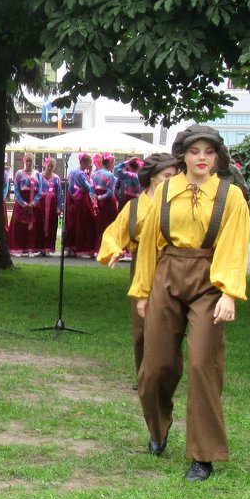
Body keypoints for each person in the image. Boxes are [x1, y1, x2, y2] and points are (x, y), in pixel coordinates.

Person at [130, 125, 250, 482]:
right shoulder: (165, 190)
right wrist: (143, 292)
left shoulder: (230, 196)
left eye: (209, 152)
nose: (201, 158)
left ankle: (203, 455)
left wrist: (229, 292)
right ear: (182, 154)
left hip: (210, 280)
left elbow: (235, 246)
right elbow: (150, 240)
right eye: (195, 151)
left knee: (202, 364)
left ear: (217, 157)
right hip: (167, 274)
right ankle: (157, 427)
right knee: (155, 366)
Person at [97, 153, 178, 375]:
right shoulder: (134, 207)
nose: (172, 181)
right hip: (141, 267)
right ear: (152, 177)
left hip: (172, 266)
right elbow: (113, 234)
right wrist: (114, 250)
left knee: (169, 326)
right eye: (167, 176)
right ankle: (144, 375)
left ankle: (165, 374)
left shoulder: (178, 205)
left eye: (175, 176)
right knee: (141, 327)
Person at [8, 153, 43, 257]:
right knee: (18, 226)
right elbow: (17, 189)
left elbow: (40, 190)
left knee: (32, 227)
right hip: (21, 203)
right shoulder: (19, 173)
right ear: (24, 161)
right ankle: (18, 247)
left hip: (33, 204)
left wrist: (33, 203)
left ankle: (30, 248)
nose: (28, 163)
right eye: (27, 161)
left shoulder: (37, 174)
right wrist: (23, 203)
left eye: (30, 161)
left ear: (33, 162)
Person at [65, 153, 99, 258]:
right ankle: (86, 248)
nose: (89, 166)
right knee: (88, 223)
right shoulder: (81, 174)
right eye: (89, 163)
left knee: (73, 224)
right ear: (84, 163)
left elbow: (70, 188)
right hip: (82, 201)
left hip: (73, 200)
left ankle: (72, 247)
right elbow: (89, 187)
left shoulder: (72, 173)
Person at [92, 153, 119, 240]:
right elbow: (110, 192)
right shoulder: (110, 175)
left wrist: (95, 198)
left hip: (97, 204)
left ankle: (97, 248)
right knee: (109, 225)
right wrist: (100, 197)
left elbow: (91, 189)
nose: (114, 166)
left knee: (99, 225)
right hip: (108, 204)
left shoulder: (94, 175)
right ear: (110, 163)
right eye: (113, 163)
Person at [39, 158, 61, 256]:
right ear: (45, 165)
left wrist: (58, 207)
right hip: (41, 203)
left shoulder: (56, 178)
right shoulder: (39, 176)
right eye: (48, 165)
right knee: (40, 225)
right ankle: (40, 248)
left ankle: (48, 248)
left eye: (52, 166)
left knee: (51, 225)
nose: (50, 168)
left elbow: (59, 194)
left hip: (52, 203)